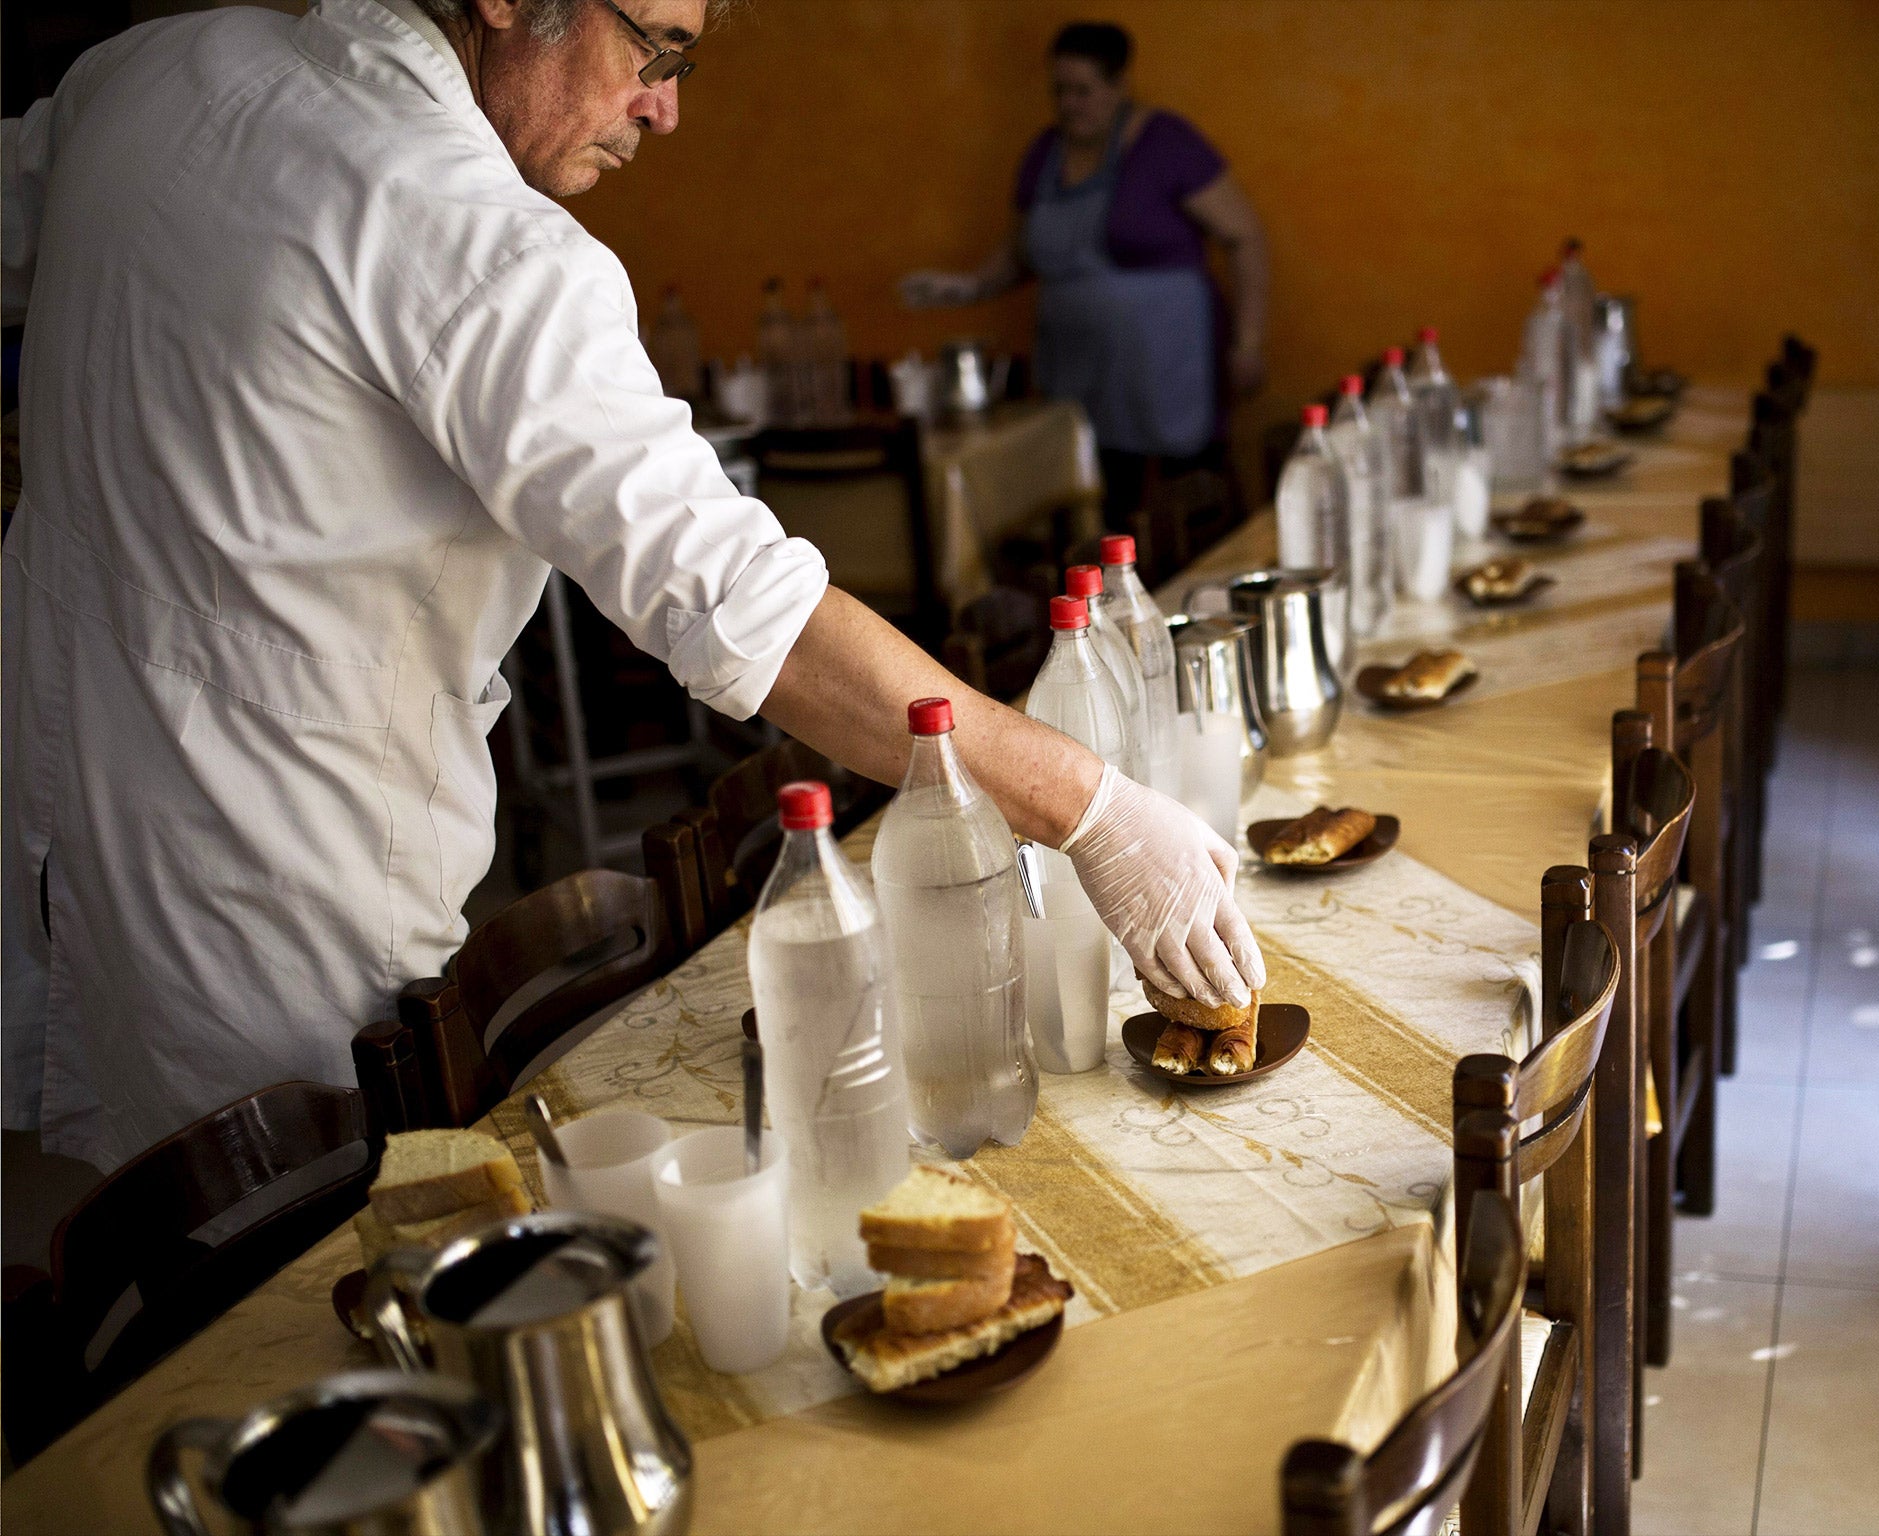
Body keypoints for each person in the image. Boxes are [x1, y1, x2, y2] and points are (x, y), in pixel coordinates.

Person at [0, 0, 1264, 1172]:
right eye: (653, 48)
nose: (665, 108)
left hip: (58, 794)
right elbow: (747, 615)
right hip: (272, 870)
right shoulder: (472, 239)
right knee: (295, 1277)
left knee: (142, 1249)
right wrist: (1091, 810)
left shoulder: (149, 73)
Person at [901, 20, 1269, 525]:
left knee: (1187, 501)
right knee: (1098, 508)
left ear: (1120, 85)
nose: (1069, 104)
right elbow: (1023, 253)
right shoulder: (1043, 154)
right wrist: (966, 286)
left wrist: (1247, 342)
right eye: (1059, 90)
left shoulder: (1167, 143)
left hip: (1167, 370)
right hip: (1077, 371)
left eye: (1083, 90)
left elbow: (1244, 238)